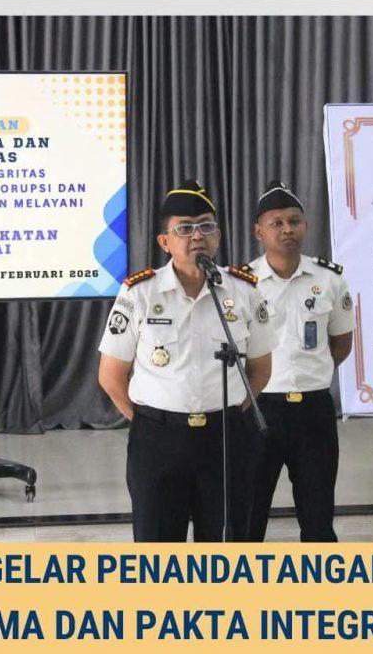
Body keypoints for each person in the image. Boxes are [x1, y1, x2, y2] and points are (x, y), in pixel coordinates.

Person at [97, 180, 276, 542]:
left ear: (218, 236)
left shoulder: (243, 290)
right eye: (185, 228)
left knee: (226, 549)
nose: (197, 236)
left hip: (224, 439)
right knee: (159, 554)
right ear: (165, 241)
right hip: (158, 442)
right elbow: (111, 375)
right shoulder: (140, 293)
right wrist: (151, 422)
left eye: (206, 226)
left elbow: (260, 369)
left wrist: (230, 413)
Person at [245, 180, 354, 542]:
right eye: (276, 223)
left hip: (313, 412)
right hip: (259, 411)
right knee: (248, 518)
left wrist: (311, 373)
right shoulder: (242, 284)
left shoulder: (329, 279)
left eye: (294, 221)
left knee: (318, 518)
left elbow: (340, 344)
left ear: (306, 226)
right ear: (259, 232)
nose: (287, 229)